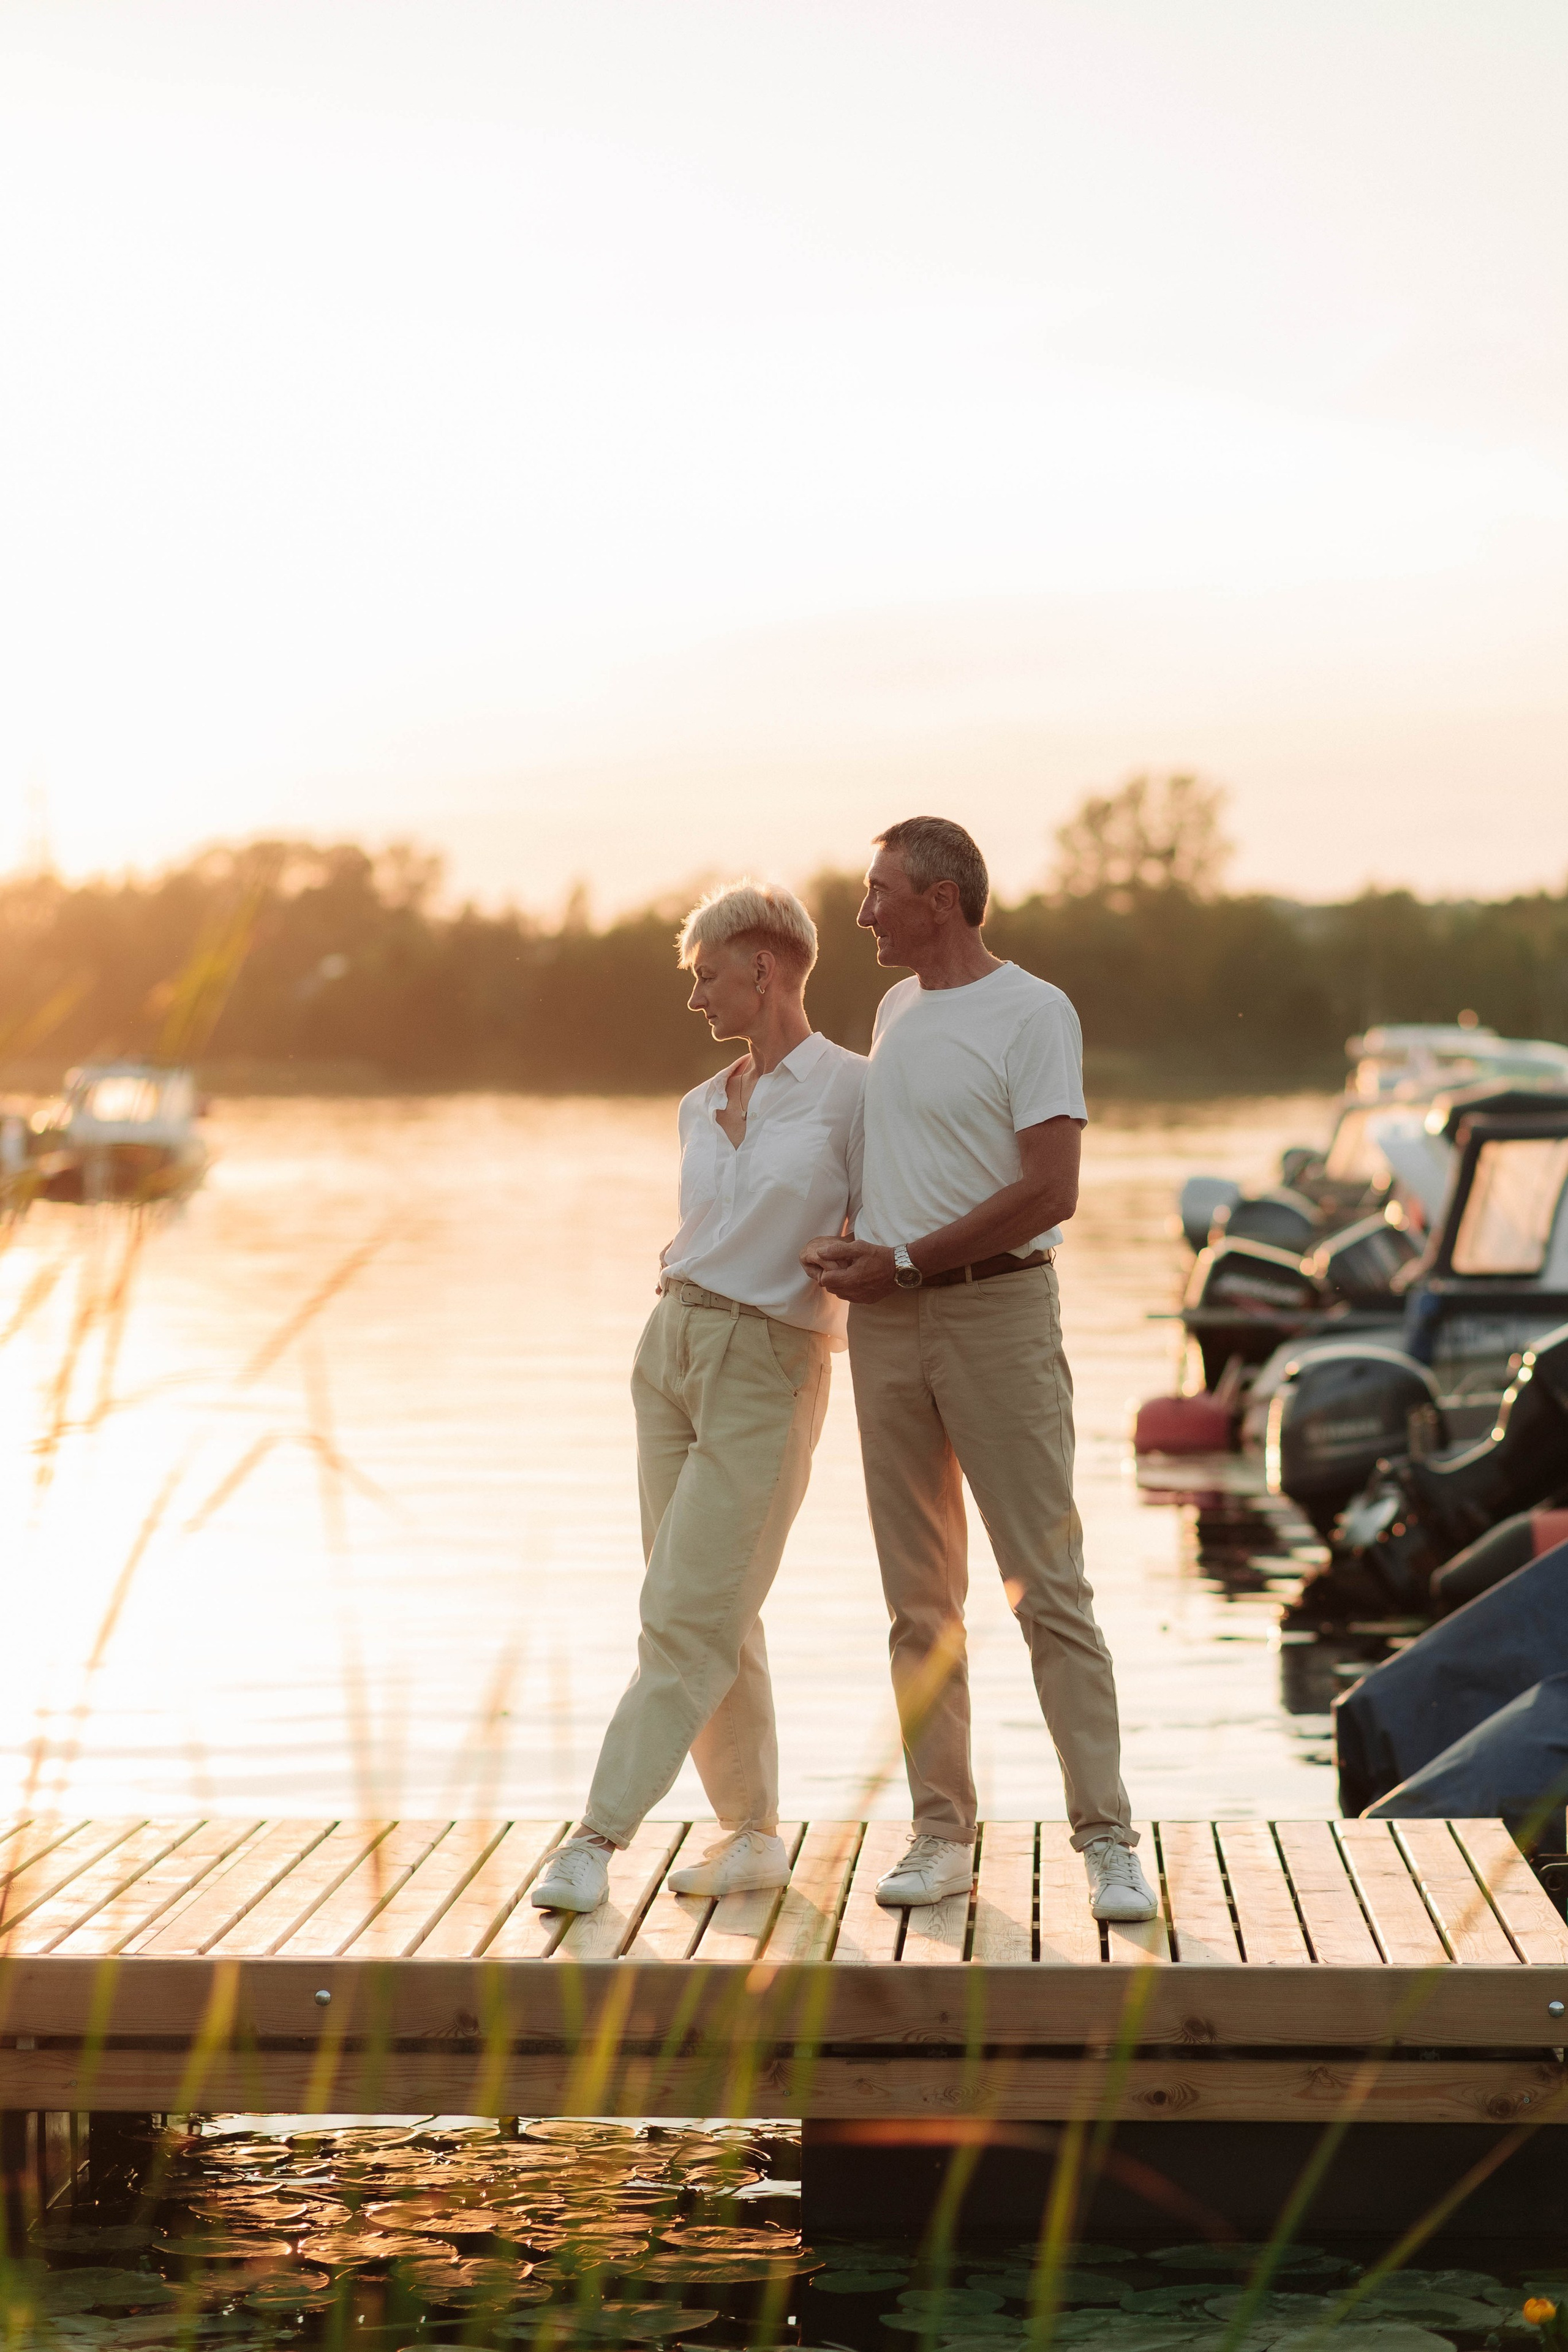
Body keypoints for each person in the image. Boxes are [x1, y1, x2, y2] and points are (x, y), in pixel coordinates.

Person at [802, 816, 1156, 1924]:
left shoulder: (1036, 1012)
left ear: (940, 899)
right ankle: (941, 1835)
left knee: (1048, 1593)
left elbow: (1052, 1191)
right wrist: (862, 1241)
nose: (862, 914)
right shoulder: (896, 1010)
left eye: (879, 893)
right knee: (920, 1604)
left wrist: (904, 1259)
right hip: (889, 1329)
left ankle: (1107, 1842)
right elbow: (905, 1165)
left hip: (998, 1316)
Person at [531, 880, 865, 1913]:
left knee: (684, 1613)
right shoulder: (696, 1102)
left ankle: (596, 1836)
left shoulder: (856, 1091)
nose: (694, 998)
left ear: (763, 969)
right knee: (717, 1608)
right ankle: (753, 1835)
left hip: (769, 1361)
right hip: (669, 1348)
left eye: (705, 976)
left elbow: (908, 1205)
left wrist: (865, 1259)